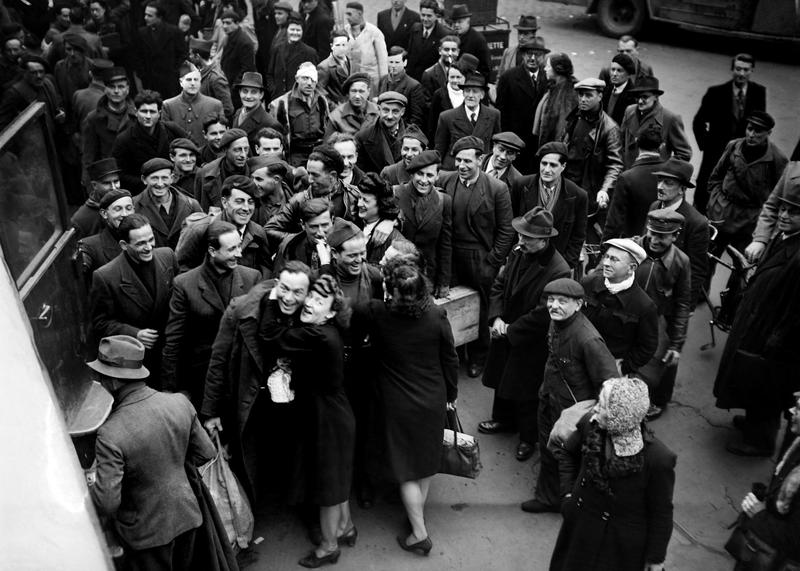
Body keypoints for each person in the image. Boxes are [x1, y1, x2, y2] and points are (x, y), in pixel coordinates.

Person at [352, 259, 458, 556]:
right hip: (433, 398)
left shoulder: (376, 313)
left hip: (396, 402)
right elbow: (450, 359)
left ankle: (420, 534)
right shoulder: (437, 316)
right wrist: (452, 394)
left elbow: (354, 327)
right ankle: (416, 518)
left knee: (407, 469)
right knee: (424, 461)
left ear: (389, 291)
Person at [88, 335, 218, 571]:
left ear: (115, 382)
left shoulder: (109, 434)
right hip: (188, 517)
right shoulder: (179, 402)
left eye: (102, 377)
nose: (99, 381)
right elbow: (207, 452)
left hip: (145, 536)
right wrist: (172, 460)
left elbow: (107, 503)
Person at [202, 261, 313, 503]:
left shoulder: (311, 315)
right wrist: (210, 412)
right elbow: (218, 362)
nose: (289, 298)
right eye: (285, 289)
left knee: (292, 457)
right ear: (276, 285)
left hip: (293, 402)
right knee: (253, 458)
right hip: (252, 402)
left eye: (298, 292)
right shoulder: (241, 310)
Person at [266, 274, 356, 568]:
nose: (310, 303)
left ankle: (329, 547)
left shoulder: (317, 335)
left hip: (327, 420)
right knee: (337, 476)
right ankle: (347, 528)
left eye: (320, 301)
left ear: (331, 312)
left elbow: (273, 335)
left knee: (328, 487)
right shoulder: (327, 331)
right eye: (311, 296)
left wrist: (272, 299)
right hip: (334, 414)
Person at [549, 377, 675, 571]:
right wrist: (568, 496)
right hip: (581, 533)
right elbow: (567, 453)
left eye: (604, 405)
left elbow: (661, 512)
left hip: (620, 549)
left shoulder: (657, 459)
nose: (596, 408)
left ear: (621, 416)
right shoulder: (590, 425)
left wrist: (655, 558)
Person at [714, 183, 800, 457]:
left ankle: (760, 440)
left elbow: (797, 311)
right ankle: (752, 421)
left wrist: (776, 341)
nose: (784, 215)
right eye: (783, 208)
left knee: (766, 388)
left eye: (794, 212)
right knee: (751, 378)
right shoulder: (785, 237)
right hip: (759, 320)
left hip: (773, 335)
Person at [480, 207, 570, 462]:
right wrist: (496, 317)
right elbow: (499, 284)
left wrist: (510, 329)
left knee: (527, 391)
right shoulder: (519, 252)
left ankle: (527, 438)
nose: (520, 241)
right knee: (502, 379)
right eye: (520, 235)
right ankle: (503, 421)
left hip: (530, 340)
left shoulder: (558, 269)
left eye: (527, 238)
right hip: (505, 329)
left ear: (544, 240)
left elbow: (545, 313)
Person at [521, 277, 617, 514]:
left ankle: (570, 503)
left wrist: (594, 419)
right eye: (551, 300)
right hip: (550, 400)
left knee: (568, 458)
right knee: (548, 448)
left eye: (562, 301)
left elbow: (610, 384)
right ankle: (548, 497)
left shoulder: (587, 339)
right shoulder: (556, 322)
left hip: (573, 413)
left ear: (579, 304)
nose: (554, 306)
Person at [161, 220, 261, 408]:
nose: (239, 254)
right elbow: (173, 341)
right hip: (200, 380)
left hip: (239, 380)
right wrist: (169, 389)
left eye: (239, 246)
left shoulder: (252, 278)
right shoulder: (184, 284)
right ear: (212, 251)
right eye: (231, 249)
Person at [439, 135, 514, 378]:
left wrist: (492, 262)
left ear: (481, 160)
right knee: (450, 304)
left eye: (467, 161)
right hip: (451, 254)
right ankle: (454, 352)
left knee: (481, 308)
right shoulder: (446, 180)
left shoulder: (496, 188)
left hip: (479, 257)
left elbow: (506, 229)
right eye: (458, 160)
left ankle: (479, 356)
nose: (461, 165)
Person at [90, 214, 179, 390]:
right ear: (124, 245)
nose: (149, 247)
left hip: (172, 354)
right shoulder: (106, 276)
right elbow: (100, 323)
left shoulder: (168, 256)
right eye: (140, 244)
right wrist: (134, 334)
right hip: (139, 363)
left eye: (151, 240)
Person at [731, 393, 800, 570]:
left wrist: (759, 514)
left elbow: (795, 539)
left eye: (799, 409)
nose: (791, 411)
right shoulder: (797, 445)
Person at [634, 210, 692, 420]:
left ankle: (654, 401)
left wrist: (676, 345)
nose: (655, 240)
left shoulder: (681, 262)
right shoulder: (631, 248)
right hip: (626, 316)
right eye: (653, 233)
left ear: (675, 236)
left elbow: (683, 304)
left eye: (662, 236)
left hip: (656, 322)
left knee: (655, 368)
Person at [706, 111, 788, 257]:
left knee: (741, 266)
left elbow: (779, 196)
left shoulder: (777, 159)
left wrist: (764, 226)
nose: (752, 134)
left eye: (758, 131)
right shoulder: (734, 146)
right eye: (750, 129)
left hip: (748, 221)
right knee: (706, 259)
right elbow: (716, 175)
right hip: (722, 212)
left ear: (768, 133)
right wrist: (714, 200)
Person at [693, 53, 766, 215]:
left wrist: (754, 148)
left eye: (746, 70)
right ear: (732, 69)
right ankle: (700, 217)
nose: (741, 74)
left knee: (736, 189)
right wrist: (707, 145)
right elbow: (698, 121)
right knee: (706, 187)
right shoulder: (716, 93)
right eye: (738, 69)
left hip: (743, 154)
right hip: (715, 152)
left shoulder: (759, 93)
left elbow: (761, 124)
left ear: (752, 70)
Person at [581, 238, 659, 379]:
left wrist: (624, 368)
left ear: (632, 268)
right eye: (607, 257)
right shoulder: (588, 284)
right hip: (579, 360)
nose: (606, 263)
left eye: (614, 260)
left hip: (610, 371)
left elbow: (647, 346)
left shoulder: (644, 306)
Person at [560, 77, 623, 244]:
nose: (582, 99)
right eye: (580, 95)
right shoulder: (575, 117)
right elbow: (563, 144)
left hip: (588, 188)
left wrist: (604, 190)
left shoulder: (610, 128)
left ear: (600, 96)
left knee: (582, 234)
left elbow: (615, 164)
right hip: (566, 182)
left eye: (588, 95)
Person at [510, 142, 588, 271]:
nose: (546, 169)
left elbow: (578, 236)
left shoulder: (577, 195)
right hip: (522, 258)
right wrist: (511, 257)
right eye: (543, 163)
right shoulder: (522, 185)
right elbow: (511, 221)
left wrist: (566, 264)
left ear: (563, 166)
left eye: (553, 165)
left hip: (554, 264)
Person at [177, 175, 272, 276]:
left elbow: (266, 268)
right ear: (225, 202)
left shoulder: (257, 232)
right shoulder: (200, 230)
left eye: (250, 202)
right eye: (239, 201)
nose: (246, 208)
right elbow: (182, 269)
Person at [648, 158, 709, 308]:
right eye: (660, 180)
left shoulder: (696, 222)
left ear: (682, 189)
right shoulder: (655, 206)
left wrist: (687, 306)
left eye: (668, 183)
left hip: (670, 294)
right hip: (647, 284)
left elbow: (696, 270)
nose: (660, 187)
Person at [394, 150, 452, 295]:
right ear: (412, 174)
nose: (424, 180)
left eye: (430, 175)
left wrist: (443, 281)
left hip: (427, 274)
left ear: (437, 176)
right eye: (420, 174)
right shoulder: (395, 194)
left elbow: (445, 244)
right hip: (398, 273)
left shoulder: (443, 201)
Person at [111, 90, 187, 193]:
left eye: (152, 112)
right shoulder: (124, 139)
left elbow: (193, 152)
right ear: (136, 112)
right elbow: (120, 174)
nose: (148, 116)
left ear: (159, 113)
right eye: (143, 111)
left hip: (174, 189)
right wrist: (148, 183)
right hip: (140, 193)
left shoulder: (172, 130)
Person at [495, 36, 549, 174]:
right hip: (515, 141)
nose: (532, 58)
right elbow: (501, 111)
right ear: (523, 55)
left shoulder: (548, 78)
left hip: (537, 143)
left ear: (543, 57)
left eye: (537, 55)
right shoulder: (509, 77)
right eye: (528, 54)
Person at [603, 126, 664, 238]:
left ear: (637, 142)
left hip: (633, 244)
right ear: (661, 146)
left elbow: (614, 222)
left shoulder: (627, 178)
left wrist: (605, 248)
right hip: (662, 244)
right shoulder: (670, 175)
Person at [619, 76, 692, 169]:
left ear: (656, 97)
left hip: (653, 177)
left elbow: (684, 154)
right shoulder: (629, 111)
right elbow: (620, 142)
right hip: (628, 174)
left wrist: (664, 170)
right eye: (637, 97)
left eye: (645, 97)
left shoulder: (670, 118)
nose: (640, 101)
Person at [434, 72, 501, 170]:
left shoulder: (493, 115)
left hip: (481, 169)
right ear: (463, 93)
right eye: (467, 91)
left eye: (475, 91)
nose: (470, 95)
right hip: (454, 170)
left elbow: (496, 146)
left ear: (482, 95)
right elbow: (439, 150)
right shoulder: (447, 117)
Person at [133, 157, 203, 250]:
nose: (160, 184)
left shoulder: (191, 205)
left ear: (172, 178)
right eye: (154, 178)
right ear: (144, 180)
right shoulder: (133, 206)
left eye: (164, 178)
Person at [269, 62, 330, 166]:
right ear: (297, 79)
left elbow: (327, 128)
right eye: (305, 78)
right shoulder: (282, 104)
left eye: (313, 79)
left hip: (318, 153)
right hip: (295, 155)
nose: (309, 83)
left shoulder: (322, 100)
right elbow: (275, 135)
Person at [161, 61, 224, 148]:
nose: (193, 83)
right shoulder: (168, 105)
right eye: (189, 80)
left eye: (196, 80)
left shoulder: (215, 105)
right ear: (181, 82)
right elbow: (165, 136)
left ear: (200, 81)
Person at [78, 189, 134, 278]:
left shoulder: (146, 236)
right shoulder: (90, 246)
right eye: (118, 209)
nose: (124, 214)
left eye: (128, 208)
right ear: (104, 213)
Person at [136, 1, 186, 99]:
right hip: (150, 81)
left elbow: (183, 53)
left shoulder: (174, 32)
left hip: (169, 81)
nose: (145, 18)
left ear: (160, 17)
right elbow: (137, 55)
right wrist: (142, 74)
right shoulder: (142, 33)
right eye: (145, 15)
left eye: (150, 16)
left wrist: (174, 70)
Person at [195, 128, 251, 212]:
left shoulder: (255, 171)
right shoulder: (206, 173)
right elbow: (200, 210)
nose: (243, 155)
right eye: (237, 150)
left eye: (246, 149)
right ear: (225, 150)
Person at [266, 11, 318, 99]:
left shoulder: (309, 52)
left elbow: (313, 78)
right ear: (287, 30)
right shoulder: (277, 49)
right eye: (292, 29)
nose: (295, 33)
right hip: (278, 97)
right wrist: (273, 89)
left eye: (298, 30)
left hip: (298, 99)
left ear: (302, 32)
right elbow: (270, 73)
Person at [354, 90, 408, 174]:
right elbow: (359, 173)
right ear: (379, 109)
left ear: (402, 112)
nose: (390, 116)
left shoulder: (412, 136)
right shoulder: (363, 137)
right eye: (386, 110)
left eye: (395, 111)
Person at [274, 197, 332, 272]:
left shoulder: (346, 241)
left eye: (325, 225)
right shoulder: (290, 245)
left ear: (332, 220)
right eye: (314, 227)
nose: (320, 232)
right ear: (303, 225)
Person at [356, 173, 402, 264]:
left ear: (381, 204)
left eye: (365, 200)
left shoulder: (394, 240)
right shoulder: (354, 222)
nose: (359, 204)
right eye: (359, 198)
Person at [71, 158, 122, 239]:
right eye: (107, 183)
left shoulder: (128, 204)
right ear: (94, 185)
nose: (114, 187)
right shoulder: (81, 219)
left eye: (116, 181)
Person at [344, 2, 388, 97]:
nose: (347, 17)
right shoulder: (345, 31)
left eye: (350, 14)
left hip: (371, 82)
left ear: (359, 14)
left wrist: (383, 86)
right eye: (346, 14)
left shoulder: (374, 33)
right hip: (352, 81)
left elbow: (383, 61)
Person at [426, 54, 474, 142]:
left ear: (465, 78)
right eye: (452, 77)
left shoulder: (472, 94)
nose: (455, 80)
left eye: (458, 77)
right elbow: (432, 125)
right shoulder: (439, 95)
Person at [378, 46, 426, 128]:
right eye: (391, 62)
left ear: (405, 63)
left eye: (397, 62)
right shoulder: (383, 80)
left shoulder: (414, 86)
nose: (393, 66)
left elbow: (416, 118)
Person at [189, 37, 234, 120]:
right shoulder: (201, 72)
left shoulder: (216, 78)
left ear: (197, 56)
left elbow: (228, 109)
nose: (189, 57)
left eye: (191, 54)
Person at [232, 72, 283, 145]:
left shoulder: (270, 124)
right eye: (245, 91)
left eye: (253, 92)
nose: (248, 96)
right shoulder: (238, 113)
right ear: (240, 92)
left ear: (261, 95)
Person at [405, 0, 450, 82]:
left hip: (431, 82)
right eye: (423, 15)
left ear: (436, 16)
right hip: (413, 81)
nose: (425, 19)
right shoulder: (415, 28)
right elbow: (410, 55)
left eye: (429, 16)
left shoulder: (444, 34)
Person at [219, 8, 256, 107]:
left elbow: (247, 68)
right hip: (228, 85)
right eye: (223, 23)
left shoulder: (244, 42)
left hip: (236, 89)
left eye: (228, 23)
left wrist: (234, 87)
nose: (224, 26)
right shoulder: (229, 37)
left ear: (237, 23)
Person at [324, 72, 379, 137]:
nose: (357, 96)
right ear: (348, 93)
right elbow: (328, 145)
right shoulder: (336, 116)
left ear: (368, 92)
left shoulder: (378, 112)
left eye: (361, 91)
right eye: (353, 91)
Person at [448, 4, 490, 80]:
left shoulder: (478, 40)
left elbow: (486, 69)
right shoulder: (451, 37)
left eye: (460, 22)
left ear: (468, 21)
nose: (456, 25)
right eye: (454, 22)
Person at [601, 53, 637, 126]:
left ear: (628, 74)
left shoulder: (633, 96)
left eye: (619, 71)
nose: (614, 74)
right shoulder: (607, 88)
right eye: (613, 69)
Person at [420, 34, 460, 101]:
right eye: (446, 50)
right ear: (440, 51)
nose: (450, 53)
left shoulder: (463, 71)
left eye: (453, 50)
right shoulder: (429, 74)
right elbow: (427, 102)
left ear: (458, 52)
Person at [317, 31, 352, 105]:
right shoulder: (324, 67)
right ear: (331, 46)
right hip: (336, 109)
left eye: (344, 45)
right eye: (338, 45)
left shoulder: (350, 62)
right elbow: (319, 93)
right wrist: (333, 106)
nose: (341, 48)